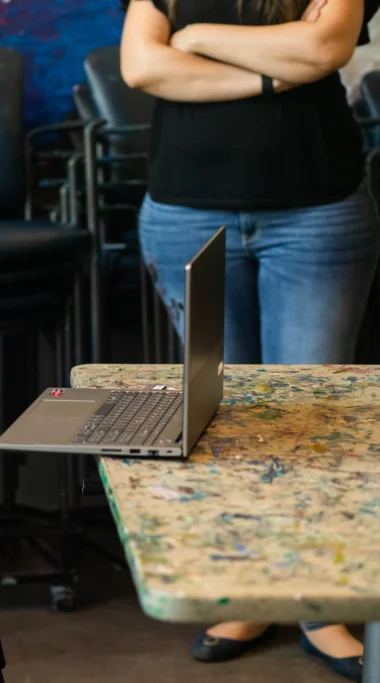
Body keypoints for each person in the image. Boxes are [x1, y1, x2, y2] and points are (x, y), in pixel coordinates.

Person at [121, 0, 380, 679]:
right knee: (225, 415)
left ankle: (323, 605)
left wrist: (199, 37)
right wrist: (272, 72)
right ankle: (249, 589)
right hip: (186, 212)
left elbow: (326, 49)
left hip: (317, 212)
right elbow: (142, 63)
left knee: (315, 422)